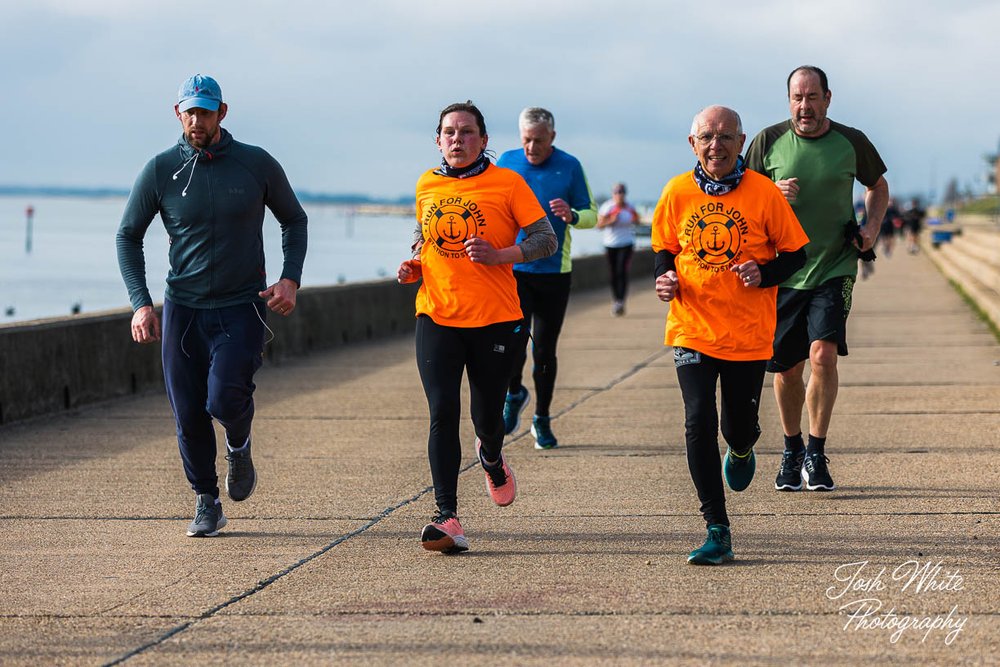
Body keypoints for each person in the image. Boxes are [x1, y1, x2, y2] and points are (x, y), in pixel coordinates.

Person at [116, 74, 308, 537]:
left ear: (222, 113)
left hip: (242, 305)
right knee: (188, 413)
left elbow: (294, 220)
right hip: (183, 309)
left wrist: (290, 279)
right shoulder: (161, 169)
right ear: (177, 113)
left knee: (223, 397)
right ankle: (206, 500)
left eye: (205, 111)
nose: (196, 120)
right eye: (190, 112)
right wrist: (142, 304)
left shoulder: (255, 164)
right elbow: (128, 235)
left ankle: (239, 446)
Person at [397, 101, 556, 553]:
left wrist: (500, 255)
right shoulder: (426, 184)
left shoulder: (508, 182)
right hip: (436, 314)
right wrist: (415, 263)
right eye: (449, 132)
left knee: (487, 419)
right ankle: (447, 516)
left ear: (483, 141)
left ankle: (491, 458)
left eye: (467, 132)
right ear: (438, 139)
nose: (457, 139)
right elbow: (427, 237)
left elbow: (546, 240)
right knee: (442, 411)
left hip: (496, 320)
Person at [652, 105, 808, 565]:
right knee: (697, 420)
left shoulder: (762, 193)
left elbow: (796, 254)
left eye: (725, 137)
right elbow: (664, 245)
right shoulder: (677, 192)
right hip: (692, 328)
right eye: (706, 137)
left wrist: (764, 271)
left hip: (747, 333)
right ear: (692, 143)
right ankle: (716, 528)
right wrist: (665, 278)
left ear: (741, 144)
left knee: (735, 426)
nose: (715, 145)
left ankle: (742, 447)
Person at [745, 65, 889, 493]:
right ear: (788, 99)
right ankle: (791, 450)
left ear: (828, 98)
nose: (804, 106)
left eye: (812, 97)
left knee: (823, 355)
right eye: (796, 97)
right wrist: (771, 193)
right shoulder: (767, 141)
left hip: (835, 265)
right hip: (784, 272)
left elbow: (877, 187)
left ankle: (816, 451)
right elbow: (741, 195)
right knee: (788, 369)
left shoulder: (851, 141)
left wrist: (870, 230)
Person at [497, 107, 598, 449]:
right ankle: (514, 394)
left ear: (552, 137)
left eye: (538, 141)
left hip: (555, 273)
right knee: (511, 344)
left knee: (544, 350)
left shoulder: (570, 166)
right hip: (514, 270)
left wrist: (572, 215)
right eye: (526, 140)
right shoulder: (506, 163)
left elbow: (592, 215)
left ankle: (541, 418)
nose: (531, 148)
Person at [597, 182, 642, 316]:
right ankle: (616, 300)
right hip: (610, 244)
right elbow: (599, 225)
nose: (619, 195)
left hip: (627, 243)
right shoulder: (607, 207)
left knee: (622, 271)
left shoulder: (630, 207)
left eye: (621, 192)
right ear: (613, 194)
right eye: (616, 192)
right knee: (614, 274)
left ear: (625, 194)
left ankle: (621, 301)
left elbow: (638, 220)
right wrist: (611, 220)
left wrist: (635, 219)